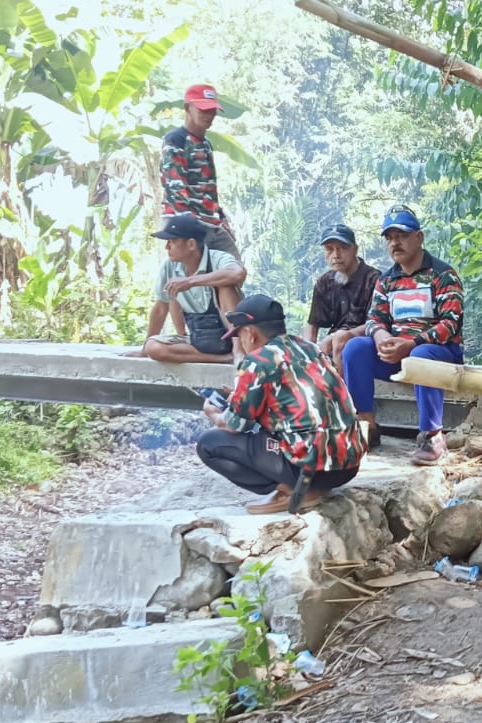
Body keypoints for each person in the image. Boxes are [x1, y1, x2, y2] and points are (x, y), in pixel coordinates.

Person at [196, 295, 366, 515]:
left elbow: (235, 426)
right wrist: (243, 398)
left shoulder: (259, 360)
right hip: (347, 466)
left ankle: (292, 491)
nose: (241, 341)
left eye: (239, 335)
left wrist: (214, 414)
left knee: (209, 443)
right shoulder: (310, 349)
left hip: (308, 468)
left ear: (250, 333)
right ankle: (314, 488)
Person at [340, 205, 464, 466]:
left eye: (402, 235)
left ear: (419, 238)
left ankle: (432, 436)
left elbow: (450, 324)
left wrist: (411, 344)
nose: (395, 243)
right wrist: (382, 338)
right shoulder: (386, 281)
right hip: (398, 352)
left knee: (420, 355)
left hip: (437, 353)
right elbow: (374, 319)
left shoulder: (442, 275)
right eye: (390, 237)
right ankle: (367, 427)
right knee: (355, 348)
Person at [136, 214, 246, 364]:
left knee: (225, 286)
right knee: (153, 347)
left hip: (231, 334)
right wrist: (144, 351)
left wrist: (190, 281)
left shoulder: (217, 258)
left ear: (191, 244)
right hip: (199, 340)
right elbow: (161, 308)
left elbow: (237, 273)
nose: (167, 247)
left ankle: (238, 350)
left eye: (172, 241)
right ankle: (222, 359)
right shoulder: (170, 266)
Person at [161, 84, 240, 260]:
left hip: (210, 222)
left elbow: (210, 189)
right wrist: (189, 231)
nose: (209, 115)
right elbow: (175, 192)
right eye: (204, 110)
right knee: (197, 278)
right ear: (188, 108)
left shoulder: (205, 144)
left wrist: (221, 217)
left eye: (212, 110)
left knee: (234, 266)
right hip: (185, 225)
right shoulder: (176, 141)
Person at [304, 224, 381, 359]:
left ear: (355, 249)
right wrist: (308, 355)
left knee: (347, 346)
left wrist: (340, 337)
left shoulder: (374, 279)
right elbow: (313, 324)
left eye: (343, 248)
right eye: (329, 249)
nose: (336, 255)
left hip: (365, 343)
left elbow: (377, 324)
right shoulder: (324, 282)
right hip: (333, 345)